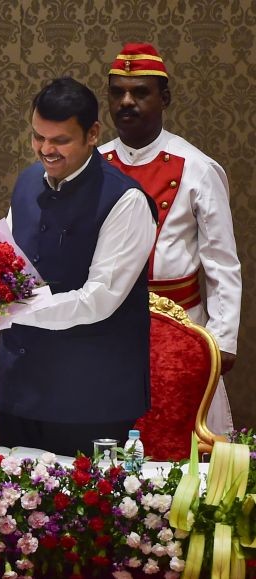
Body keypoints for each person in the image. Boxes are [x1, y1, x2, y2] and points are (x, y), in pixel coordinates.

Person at [0, 77, 158, 457]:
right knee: (9, 507)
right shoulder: (28, 181)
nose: (45, 150)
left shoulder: (125, 200)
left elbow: (98, 300)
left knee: (84, 512)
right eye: (38, 137)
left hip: (90, 395)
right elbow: (5, 261)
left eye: (60, 140)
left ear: (93, 134)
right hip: (18, 385)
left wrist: (11, 310)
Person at [99, 43, 242, 434]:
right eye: (117, 93)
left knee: (184, 440)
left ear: (164, 98)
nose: (126, 102)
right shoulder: (94, 165)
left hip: (183, 325)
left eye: (140, 92)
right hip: (107, 325)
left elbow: (221, 261)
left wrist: (222, 338)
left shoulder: (198, 168)